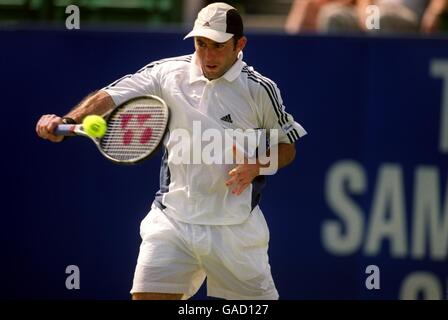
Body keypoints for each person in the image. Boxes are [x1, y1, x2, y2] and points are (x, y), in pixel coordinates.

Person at [35, 2, 307, 300]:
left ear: (239, 44)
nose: (207, 54)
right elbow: (109, 96)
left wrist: (256, 166)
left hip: (236, 230)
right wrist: (69, 120)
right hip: (172, 222)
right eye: (201, 44)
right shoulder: (166, 73)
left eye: (217, 46)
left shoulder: (259, 89)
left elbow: (287, 146)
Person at [285, 0, 447, 34]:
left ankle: (381, 74)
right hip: (374, 11)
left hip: (407, 15)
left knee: (379, 19)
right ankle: (335, 71)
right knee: (334, 15)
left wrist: (434, 12)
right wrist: (366, 14)